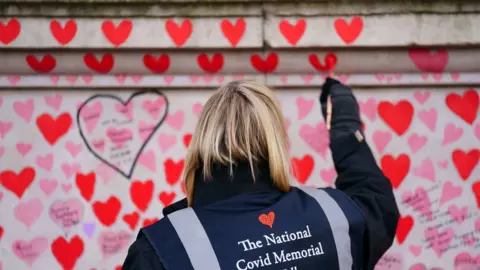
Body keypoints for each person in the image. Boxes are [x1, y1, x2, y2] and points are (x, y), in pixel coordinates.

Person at [122, 78, 400, 270]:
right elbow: (377, 200)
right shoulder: (336, 217)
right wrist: (345, 126)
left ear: (202, 142)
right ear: (276, 140)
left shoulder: (161, 249)